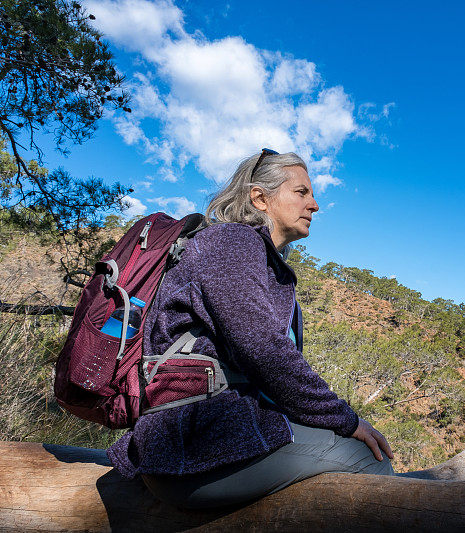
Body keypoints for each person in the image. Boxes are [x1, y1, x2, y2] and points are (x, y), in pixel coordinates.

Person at [107, 149, 395, 508]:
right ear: (260, 198)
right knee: (371, 459)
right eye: (301, 192)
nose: (315, 204)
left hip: (197, 444)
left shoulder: (241, 251)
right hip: (192, 446)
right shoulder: (232, 242)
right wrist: (346, 420)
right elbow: (265, 351)